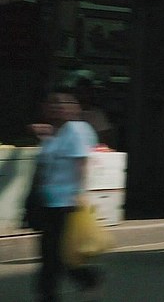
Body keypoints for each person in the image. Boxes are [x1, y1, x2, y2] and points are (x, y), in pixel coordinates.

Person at [29, 90, 103, 302]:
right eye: (53, 104)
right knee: (54, 252)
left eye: (64, 104)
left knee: (54, 252)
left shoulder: (76, 130)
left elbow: (82, 163)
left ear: (76, 108)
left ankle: (51, 292)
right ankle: (86, 278)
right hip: (47, 199)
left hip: (66, 201)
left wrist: (79, 193)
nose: (58, 107)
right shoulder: (55, 132)